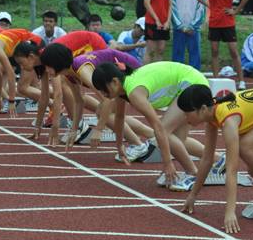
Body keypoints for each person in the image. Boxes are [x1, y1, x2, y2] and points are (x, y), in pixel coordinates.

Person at [91, 61, 226, 191]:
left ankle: (192, 173)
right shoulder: (123, 90)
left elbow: (159, 128)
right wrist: (119, 145)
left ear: (114, 82)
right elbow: (119, 118)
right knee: (179, 140)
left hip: (190, 83)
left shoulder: (134, 92)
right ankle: (219, 160)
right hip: (188, 81)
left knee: (164, 132)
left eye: (104, 89)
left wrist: (167, 164)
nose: (103, 94)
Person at [178, 85, 253, 233]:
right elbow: (207, 159)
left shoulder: (228, 120)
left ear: (202, 109)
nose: (185, 117)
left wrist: (229, 212)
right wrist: (193, 195)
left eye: (187, 113)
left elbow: (232, 170)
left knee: (245, 148)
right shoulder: (212, 116)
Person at [41, 45, 154, 160]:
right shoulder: (67, 74)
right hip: (116, 75)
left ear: (57, 63)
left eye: (48, 66)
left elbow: (107, 100)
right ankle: (152, 135)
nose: (46, 70)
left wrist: (98, 130)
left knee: (104, 112)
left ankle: (138, 146)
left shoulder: (83, 70)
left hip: (128, 70)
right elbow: (79, 101)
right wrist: (74, 129)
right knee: (111, 114)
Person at [13, 31, 107, 145]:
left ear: (32, 57)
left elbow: (58, 94)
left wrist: (55, 127)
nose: (21, 67)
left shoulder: (49, 59)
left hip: (91, 44)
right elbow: (44, 96)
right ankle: (85, 122)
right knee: (73, 90)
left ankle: (82, 125)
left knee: (65, 84)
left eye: (21, 63)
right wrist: (38, 127)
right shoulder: (41, 62)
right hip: (78, 49)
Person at [196, 0, 249, 90]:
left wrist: (235, 11)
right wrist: (210, 6)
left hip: (228, 22)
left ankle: (241, 80)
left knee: (233, 51)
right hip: (214, 23)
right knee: (214, 51)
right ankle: (216, 79)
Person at [171, 0, 204, 71]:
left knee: (195, 54)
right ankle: (177, 78)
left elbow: (200, 9)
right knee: (177, 54)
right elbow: (172, 7)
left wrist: (192, 26)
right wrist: (180, 26)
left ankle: (194, 79)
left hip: (194, 29)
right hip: (178, 28)